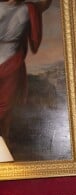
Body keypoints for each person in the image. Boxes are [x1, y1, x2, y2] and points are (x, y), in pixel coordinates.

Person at [0, 0, 52, 143]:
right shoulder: (30, 9)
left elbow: (35, 44)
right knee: (6, 110)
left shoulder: (29, 9)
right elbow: (35, 42)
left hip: (11, 64)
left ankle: (4, 142)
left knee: (6, 110)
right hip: (11, 63)